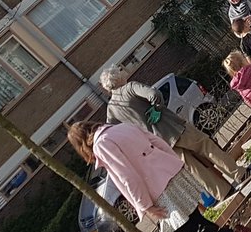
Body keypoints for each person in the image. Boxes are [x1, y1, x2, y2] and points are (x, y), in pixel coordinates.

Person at [67, 121, 251, 232]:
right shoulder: (121, 127)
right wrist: (174, 164)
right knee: (195, 221)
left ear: (81, 145)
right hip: (171, 172)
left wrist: (145, 205)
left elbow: (127, 176)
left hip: (159, 188)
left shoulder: (102, 145)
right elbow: (157, 142)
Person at [100, 65, 238, 203]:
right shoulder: (130, 87)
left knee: (193, 167)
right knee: (206, 146)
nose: (123, 73)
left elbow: (113, 132)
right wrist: (156, 108)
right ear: (118, 78)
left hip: (158, 143)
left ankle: (222, 192)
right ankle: (238, 173)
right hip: (172, 127)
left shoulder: (112, 109)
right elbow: (154, 94)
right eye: (120, 72)